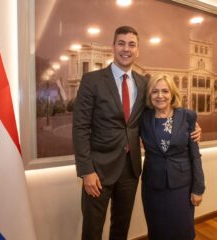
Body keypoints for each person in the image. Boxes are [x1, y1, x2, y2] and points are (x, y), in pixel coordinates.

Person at [72, 26, 202, 240]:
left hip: (130, 170)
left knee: (121, 228)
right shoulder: (92, 81)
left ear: (138, 50)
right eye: (121, 43)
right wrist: (87, 170)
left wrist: (191, 125)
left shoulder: (144, 84)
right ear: (113, 47)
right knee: (92, 230)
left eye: (132, 44)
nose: (126, 49)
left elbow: (164, 110)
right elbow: (80, 127)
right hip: (98, 170)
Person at [140, 75, 205, 240]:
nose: (160, 95)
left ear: (172, 94)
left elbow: (195, 154)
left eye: (164, 91)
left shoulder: (187, 116)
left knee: (182, 231)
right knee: (157, 231)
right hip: (152, 187)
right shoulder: (143, 118)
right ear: (149, 95)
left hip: (181, 187)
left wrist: (198, 188)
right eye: (155, 91)